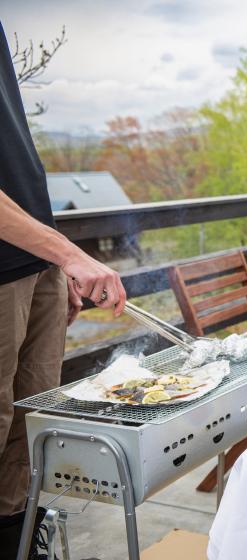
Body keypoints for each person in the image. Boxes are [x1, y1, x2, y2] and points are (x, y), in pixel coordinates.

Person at [0, 21, 127, 559]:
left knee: (29, 431)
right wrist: (71, 255)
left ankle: (16, 540)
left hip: (34, 264)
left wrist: (53, 265)